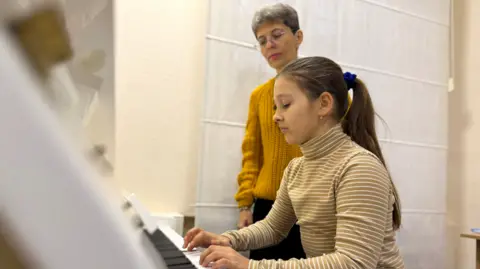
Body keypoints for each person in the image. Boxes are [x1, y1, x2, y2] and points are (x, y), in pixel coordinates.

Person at [183, 56, 405, 269]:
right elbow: (272, 228)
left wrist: (250, 266)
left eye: (286, 105)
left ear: (324, 104)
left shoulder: (359, 168)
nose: (276, 117)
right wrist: (226, 240)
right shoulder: (296, 169)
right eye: (275, 108)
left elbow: (353, 263)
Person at [234, 3, 306, 260]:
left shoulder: (326, 89)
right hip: (267, 208)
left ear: (298, 37)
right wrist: (245, 204)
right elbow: (251, 154)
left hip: (312, 208)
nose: (269, 46)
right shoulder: (260, 96)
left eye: (277, 35)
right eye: (262, 41)